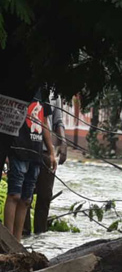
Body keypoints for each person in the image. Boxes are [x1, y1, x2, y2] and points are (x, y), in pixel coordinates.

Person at [4, 93, 56, 242]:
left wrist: (51, 152)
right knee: (14, 195)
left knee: (26, 199)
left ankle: (17, 241)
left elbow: (44, 123)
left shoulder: (43, 93)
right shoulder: (19, 88)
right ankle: (8, 242)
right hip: (17, 149)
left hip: (36, 152)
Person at [33, 91, 68, 234]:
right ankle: (24, 233)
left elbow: (57, 120)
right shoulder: (32, 87)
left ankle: (40, 234)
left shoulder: (55, 93)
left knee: (45, 196)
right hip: (28, 147)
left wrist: (63, 141)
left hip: (47, 151)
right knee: (25, 196)